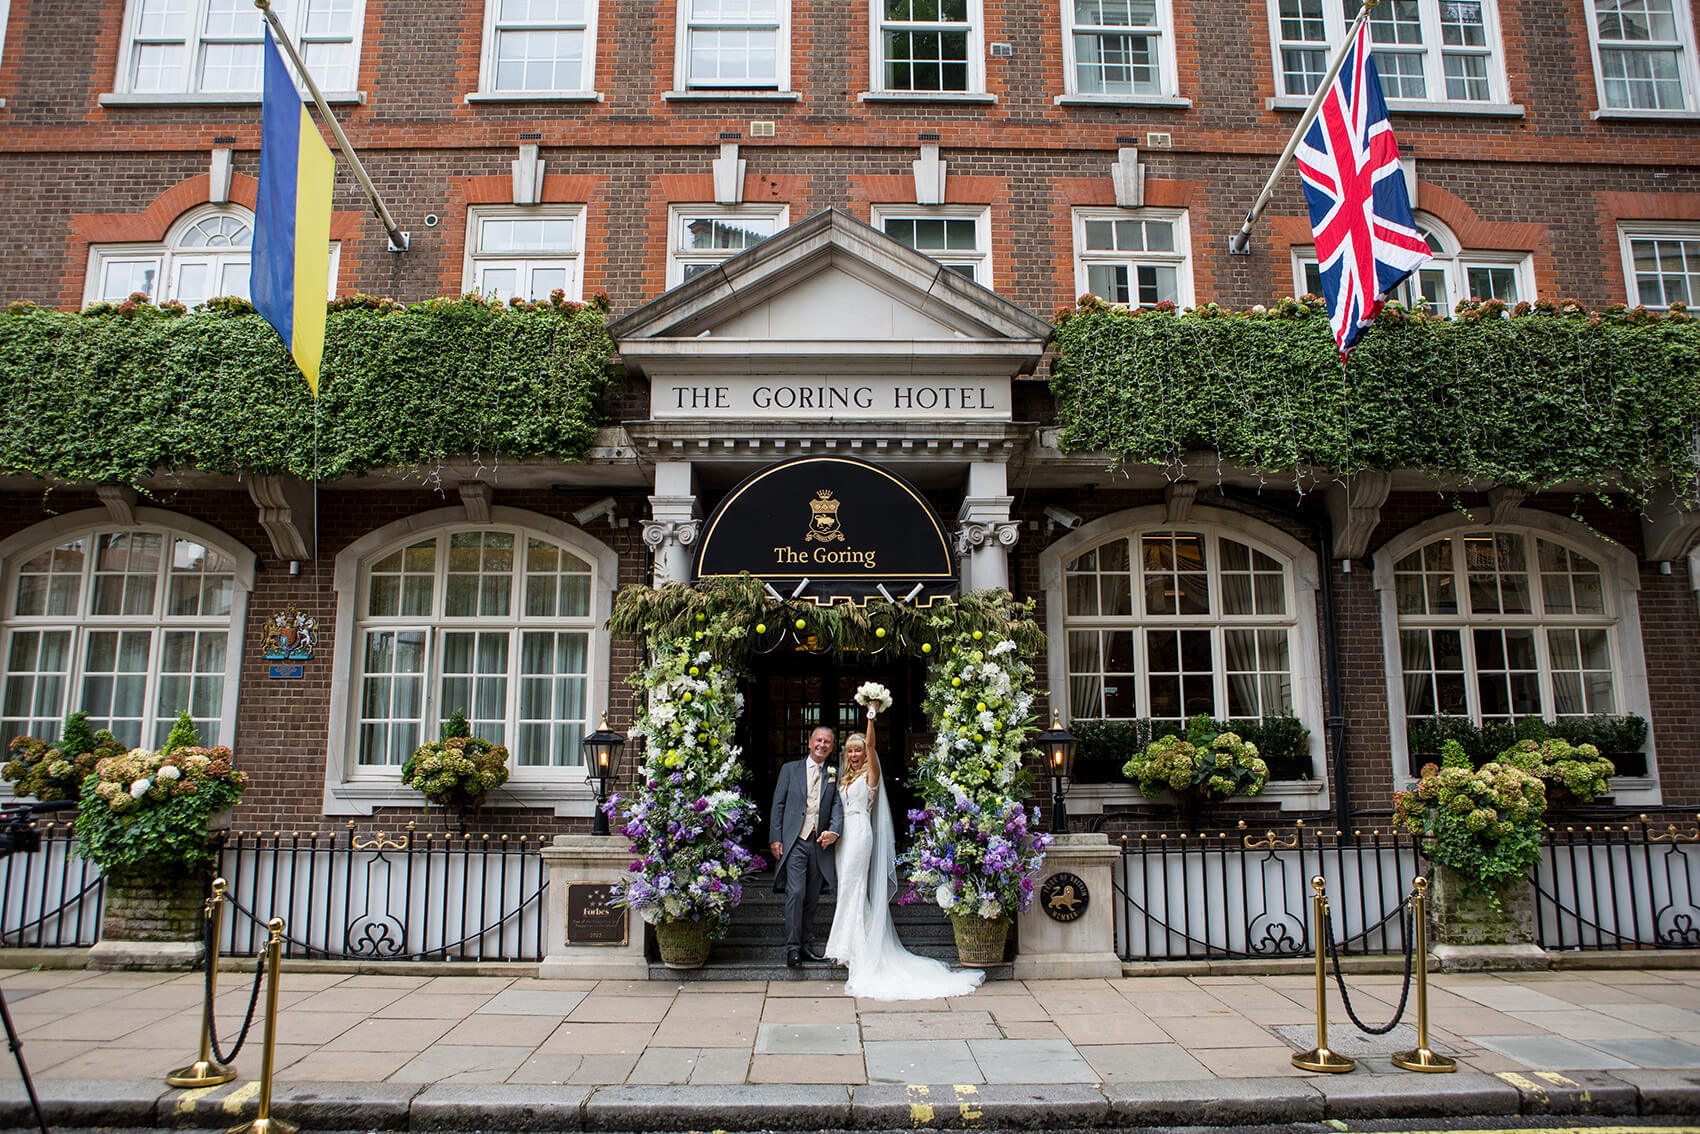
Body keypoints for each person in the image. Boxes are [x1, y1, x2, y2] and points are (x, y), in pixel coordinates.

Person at [824, 704, 984, 1000]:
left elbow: (872, 745)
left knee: (855, 886)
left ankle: (856, 953)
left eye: (858, 750)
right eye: (850, 751)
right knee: (847, 887)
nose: (855, 755)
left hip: (860, 834)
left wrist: (871, 715)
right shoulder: (844, 779)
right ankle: (847, 947)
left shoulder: (870, 776)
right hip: (843, 838)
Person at [769, 725, 844, 968]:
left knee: (812, 897)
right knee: (796, 893)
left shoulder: (834, 772)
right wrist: (775, 837)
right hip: (795, 842)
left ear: (832, 747)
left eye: (828, 742)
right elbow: (778, 804)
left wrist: (833, 831)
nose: (822, 745)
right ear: (810, 743)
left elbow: (836, 805)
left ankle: (804, 944)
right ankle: (792, 948)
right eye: (819, 740)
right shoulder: (790, 769)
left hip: (819, 843)